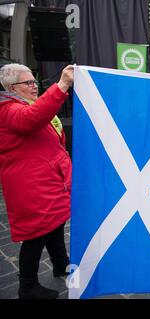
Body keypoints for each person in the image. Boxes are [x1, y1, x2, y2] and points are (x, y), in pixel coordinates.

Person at [0, 63, 74, 299]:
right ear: (12, 87)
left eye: (34, 81)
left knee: (55, 226)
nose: (34, 86)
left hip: (49, 182)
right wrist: (62, 85)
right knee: (35, 236)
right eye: (28, 82)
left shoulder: (28, 104)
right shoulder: (7, 109)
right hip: (32, 187)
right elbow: (32, 119)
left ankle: (62, 264)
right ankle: (28, 286)